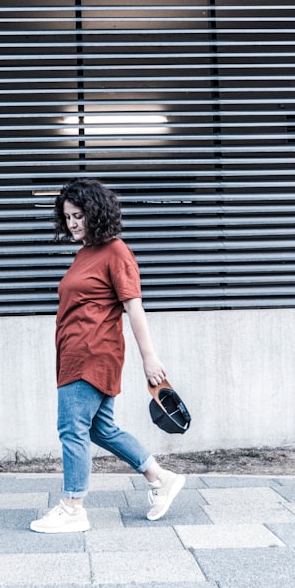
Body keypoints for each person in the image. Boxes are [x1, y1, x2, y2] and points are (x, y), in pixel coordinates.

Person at [30, 178, 186, 533]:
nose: (72, 223)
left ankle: (73, 508)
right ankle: (160, 478)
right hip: (75, 352)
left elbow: (134, 307)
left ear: (96, 213)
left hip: (92, 353)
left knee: (72, 429)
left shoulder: (116, 251)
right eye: (67, 216)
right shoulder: (86, 252)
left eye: (79, 215)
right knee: (101, 429)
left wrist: (150, 358)